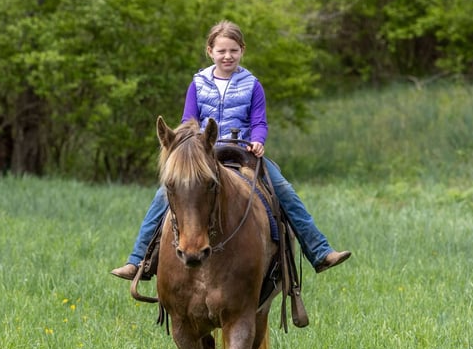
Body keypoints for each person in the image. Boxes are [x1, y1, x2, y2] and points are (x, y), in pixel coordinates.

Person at [112, 20, 350, 280]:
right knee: (164, 196)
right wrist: (193, 145)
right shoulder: (198, 83)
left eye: (233, 50)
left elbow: (259, 121)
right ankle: (139, 261)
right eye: (222, 51)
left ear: (242, 51)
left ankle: (319, 251)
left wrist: (258, 140)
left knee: (283, 190)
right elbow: (189, 120)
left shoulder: (252, 84)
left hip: (244, 152)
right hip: (203, 154)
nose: (228, 56)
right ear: (210, 51)